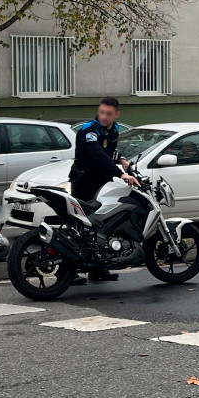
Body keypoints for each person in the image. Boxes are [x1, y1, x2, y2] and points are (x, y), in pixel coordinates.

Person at [69, 97, 140, 283]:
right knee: (79, 224)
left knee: (101, 224)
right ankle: (68, 272)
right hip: (85, 181)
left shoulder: (114, 129)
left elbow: (109, 151)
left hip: (103, 181)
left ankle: (98, 268)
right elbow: (97, 154)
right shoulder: (88, 131)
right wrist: (120, 173)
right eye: (102, 112)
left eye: (109, 114)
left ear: (116, 114)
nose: (104, 116)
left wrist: (122, 161)